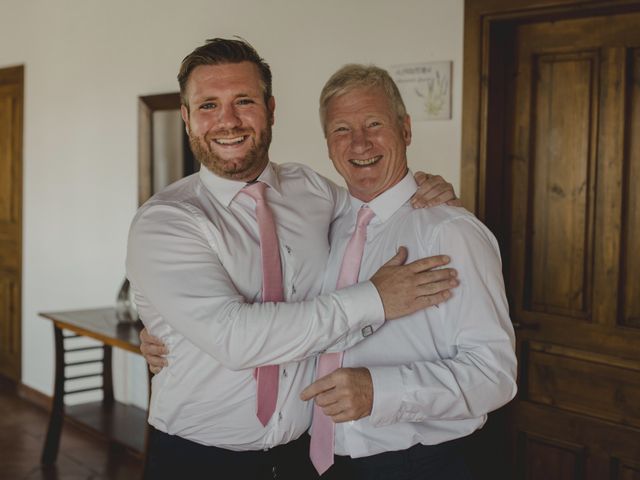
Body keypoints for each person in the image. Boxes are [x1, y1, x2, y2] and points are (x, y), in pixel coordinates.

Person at [127, 38, 459, 480]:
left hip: (305, 456)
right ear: (187, 118)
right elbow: (236, 339)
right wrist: (375, 299)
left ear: (270, 109)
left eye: (243, 101)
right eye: (208, 105)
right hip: (198, 460)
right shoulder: (166, 221)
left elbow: (375, 212)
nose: (227, 120)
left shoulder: (312, 190)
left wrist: (423, 188)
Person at [295, 64, 517, 479]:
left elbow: (494, 375)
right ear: (328, 147)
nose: (360, 142)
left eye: (374, 123)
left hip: (419, 464)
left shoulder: (450, 232)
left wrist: (380, 391)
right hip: (322, 461)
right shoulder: (324, 227)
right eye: (342, 129)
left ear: (406, 130)